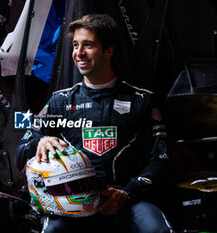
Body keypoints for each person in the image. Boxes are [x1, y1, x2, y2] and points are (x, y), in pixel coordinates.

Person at [15, 14, 173, 233]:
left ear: (109, 51)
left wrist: (127, 193)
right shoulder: (59, 101)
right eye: (75, 45)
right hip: (72, 203)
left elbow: (160, 160)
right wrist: (40, 141)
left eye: (88, 45)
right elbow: (20, 154)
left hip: (128, 199)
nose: (78, 53)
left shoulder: (143, 101)